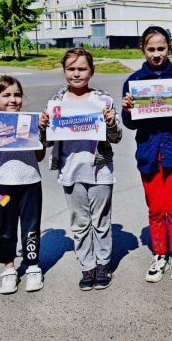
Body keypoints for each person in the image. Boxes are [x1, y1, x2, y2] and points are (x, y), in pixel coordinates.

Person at [39, 48, 121, 291]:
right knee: (80, 222)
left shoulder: (103, 100)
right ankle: (87, 266)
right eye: (71, 69)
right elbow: (47, 141)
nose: (76, 73)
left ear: (91, 71)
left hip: (100, 171)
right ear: (64, 71)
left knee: (101, 221)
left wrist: (111, 123)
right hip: (70, 171)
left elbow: (116, 137)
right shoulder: (57, 101)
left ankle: (103, 264)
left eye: (82, 69)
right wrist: (43, 126)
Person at [121, 26, 172, 283]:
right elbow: (130, 124)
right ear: (143, 50)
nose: (156, 54)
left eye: (161, 48)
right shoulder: (133, 82)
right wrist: (127, 110)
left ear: (169, 48)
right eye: (151, 49)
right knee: (155, 208)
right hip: (148, 152)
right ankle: (159, 254)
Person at [0, 76, 46, 294]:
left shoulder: (29, 123)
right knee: (6, 228)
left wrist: (39, 133)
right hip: (3, 186)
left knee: (31, 227)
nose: (13, 100)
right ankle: (9, 270)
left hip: (31, 182)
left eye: (17, 95)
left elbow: (40, 156)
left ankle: (32, 267)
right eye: (6, 95)